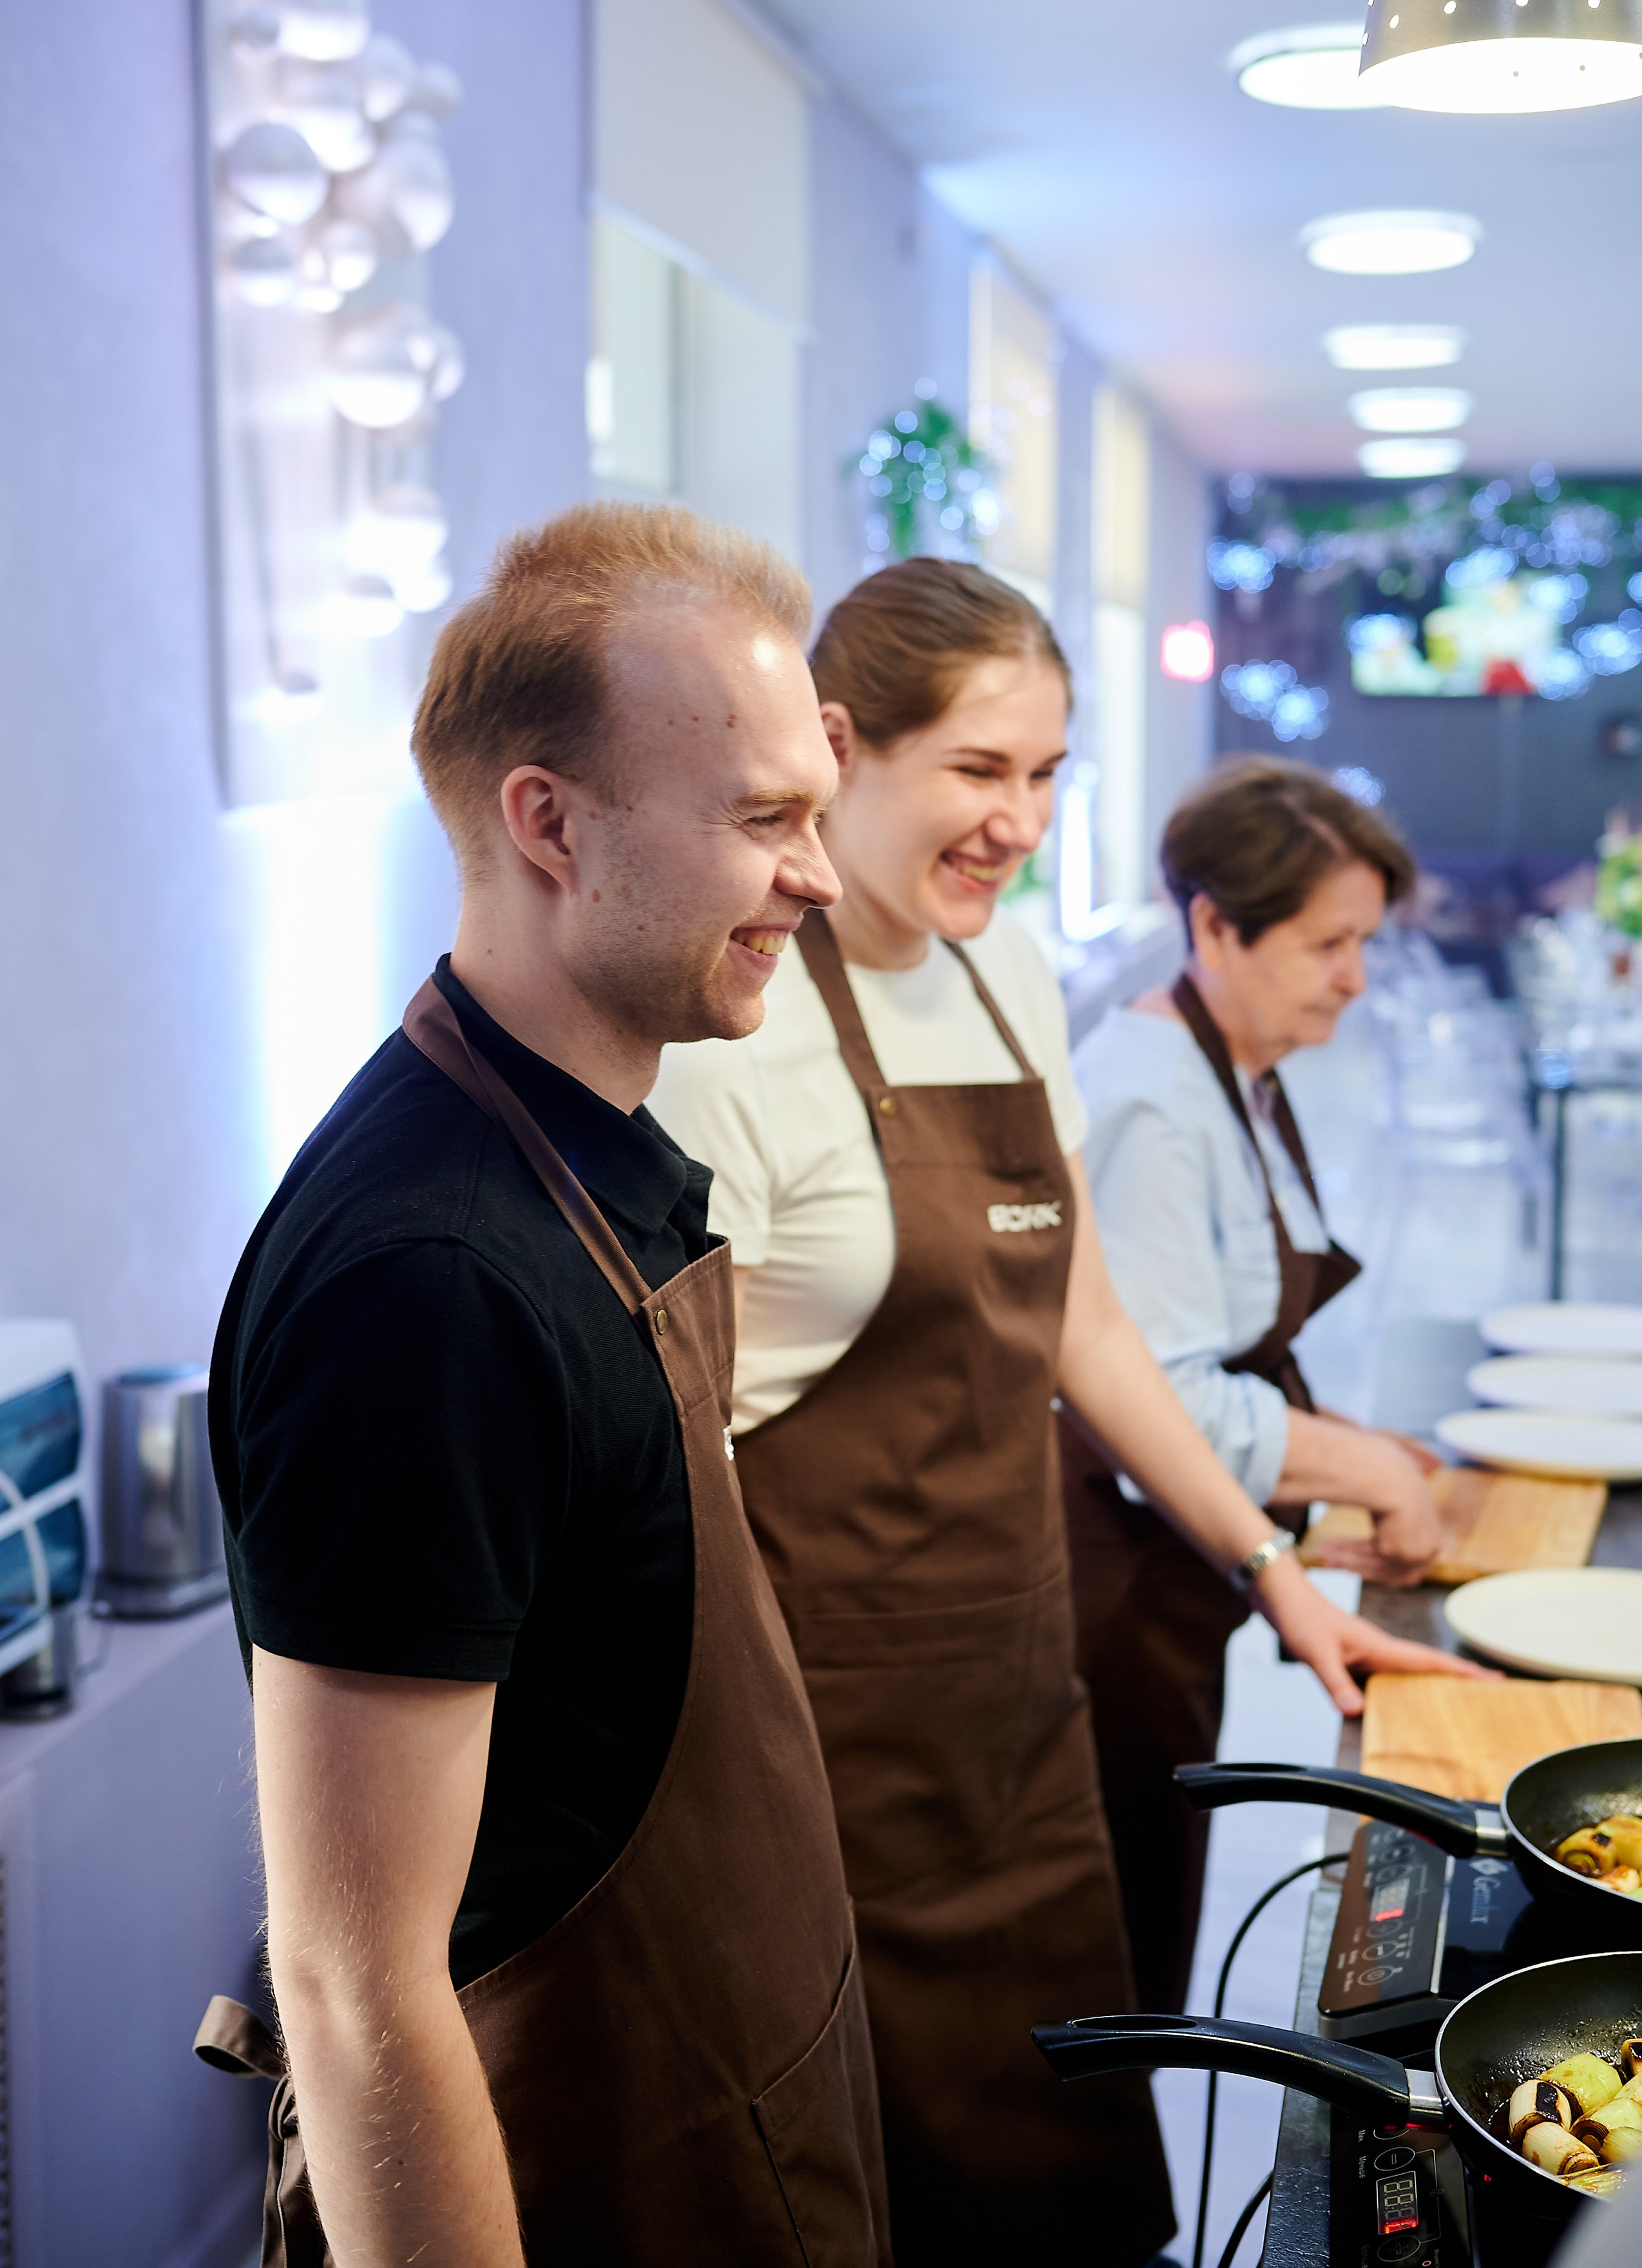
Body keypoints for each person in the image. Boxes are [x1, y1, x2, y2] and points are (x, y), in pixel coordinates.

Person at [649, 558, 1474, 2268]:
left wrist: (1272, 1567)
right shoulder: (733, 1028)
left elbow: (1087, 1330)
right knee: (884, 2184)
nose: (1017, 821)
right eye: (977, 768)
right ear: (837, 745)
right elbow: (677, 1447)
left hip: (1017, 1701)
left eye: (1044, 773)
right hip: (823, 1729)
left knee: (1064, 2159)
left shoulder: (1007, 974)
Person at [199, 505, 892, 2268]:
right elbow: (353, 1977)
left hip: (726, 2118)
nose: (820, 877)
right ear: (549, 822)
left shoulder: (595, 1158)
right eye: (765, 819)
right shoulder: (429, 1282)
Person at [1065, 754, 1448, 2013]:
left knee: (1157, 1907)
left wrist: (1349, 1440)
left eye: (1364, 943)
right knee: (1121, 1930)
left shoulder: (1236, 1063)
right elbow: (1158, 1395)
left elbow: (1223, 1334)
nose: (1354, 977)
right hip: (1119, 1580)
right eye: (1328, 943)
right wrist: (1366, 1468)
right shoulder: (1149, 1098)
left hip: (1182, 1573)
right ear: (1215, 927)